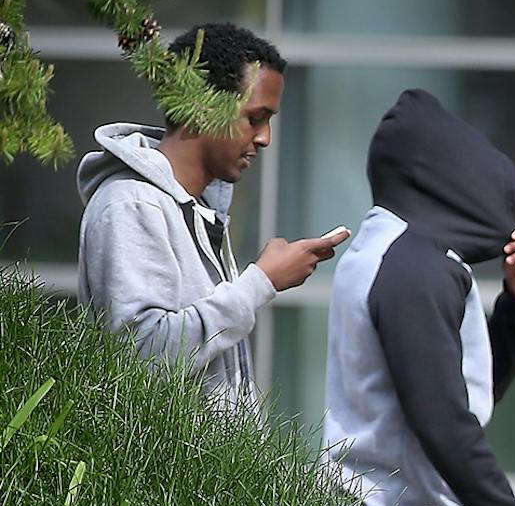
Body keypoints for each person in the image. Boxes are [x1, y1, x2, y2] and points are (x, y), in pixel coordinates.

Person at [320, 89, 515, 506]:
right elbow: (441, 417)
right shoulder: (415, 268)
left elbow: (467, 392)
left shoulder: (393, 250)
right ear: (443, 175)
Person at [77, 22, 336, 412]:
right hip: (159, 473)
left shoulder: (197, 208)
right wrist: (260, 282)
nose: (265, 138)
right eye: (255, 118)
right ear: (202, 107)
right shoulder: (131, 204)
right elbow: (140, 360)